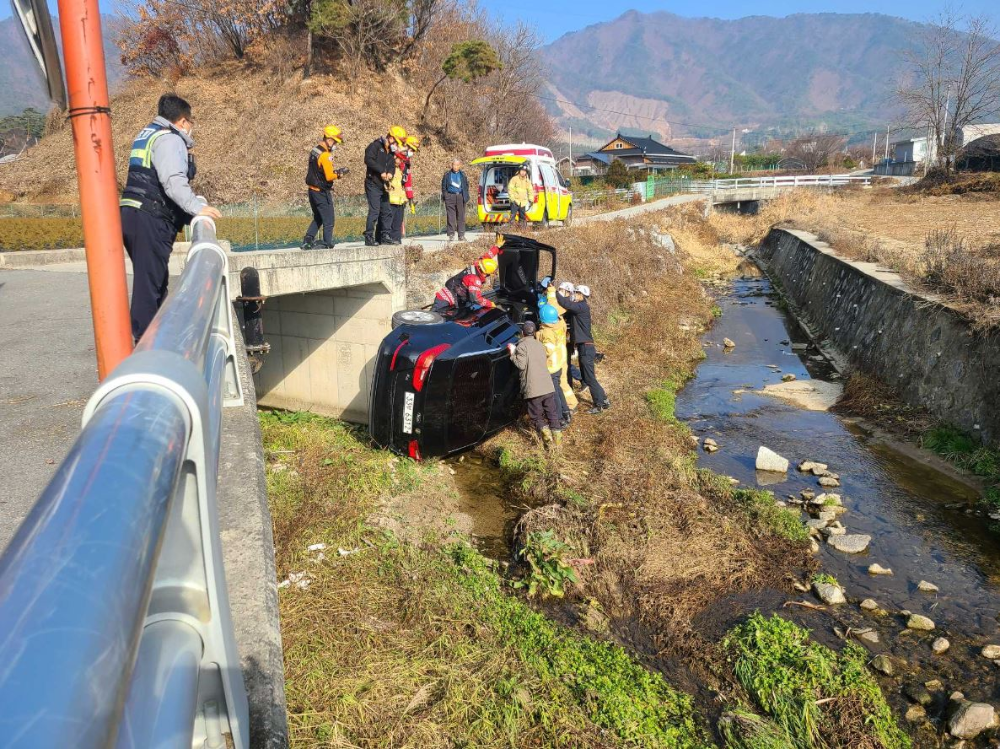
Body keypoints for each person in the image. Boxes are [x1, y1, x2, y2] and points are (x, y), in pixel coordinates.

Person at [120, 93, 221, 342]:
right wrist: (196, 208)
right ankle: (144, 344)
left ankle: (157, 336)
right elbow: (173, 180)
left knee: (155, 279)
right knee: (149, 285)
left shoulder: (148, 133)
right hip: (150, 215)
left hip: (133, 212)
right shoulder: (170, 139)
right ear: (183, 121)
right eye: (190, 122)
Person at [508, 321, 562, 447]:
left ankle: (547, 439)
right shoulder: (540, 345)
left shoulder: (521, 346)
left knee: (537, 416)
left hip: (533, 389)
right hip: (547, 386)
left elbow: (521, 365)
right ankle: (558, 442)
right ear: (534, 332)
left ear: (522, 333)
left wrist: (512, 353)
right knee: (552, 413)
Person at [559, 284, 611, 414]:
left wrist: (553, 292)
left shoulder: (582, 307)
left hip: (586, 348)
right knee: (588, 377)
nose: (574, 295)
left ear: (582, 295)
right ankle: (604, 400)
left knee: (589, 378)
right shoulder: (578, 308)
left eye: (576, 293)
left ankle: (599, 404)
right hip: (584, 347)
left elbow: (566, 303)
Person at [302, 125, 347, 250]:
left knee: (318, 217)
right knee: (329, 220)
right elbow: (329, 176)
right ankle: (327, 243)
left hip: (312, 190)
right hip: (321, 192)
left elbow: (318, 170)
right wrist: (339, 174)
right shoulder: (326, 155)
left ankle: (308, 239)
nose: (335, 145)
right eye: (335, 142)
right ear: (329, 140)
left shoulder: (315, 150)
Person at [364, 125, 406, 246]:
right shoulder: (375, 146)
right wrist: (381, 171)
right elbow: (368, 160)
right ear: (391, 138)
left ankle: (385, 235)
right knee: (375, 211)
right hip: (372, 183)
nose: (397, 146)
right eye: (396, 142)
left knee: (387, 211)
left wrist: (390, 174)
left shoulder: (391, 151)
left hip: (384, 185)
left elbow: (392, 166)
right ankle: (369, 236)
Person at [536, 303, 577, 426]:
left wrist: (537, 340)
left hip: (551, 367)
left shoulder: (546, 333)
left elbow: (547, 350)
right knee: (558, 389)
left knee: (554, 394)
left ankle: (559, 418)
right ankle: (566, 411)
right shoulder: (560, 324)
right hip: (559, 363)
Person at [433, 257, 498, 312]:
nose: (487, 276)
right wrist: (490, 304)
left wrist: (497, 248)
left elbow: (486, 256)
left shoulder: (473, 267)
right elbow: (476, 299)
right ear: (485, 273)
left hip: (448, 293)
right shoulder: (475, 279)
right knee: (434, 319)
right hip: (445, 300)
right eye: (488, 275)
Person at [441, 159, 469, 241]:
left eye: (457, 165)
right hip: (450, 196)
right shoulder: (447, 174)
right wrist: (446, 196)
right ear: (451, 165)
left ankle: (461, 235)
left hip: (460, 196)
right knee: (451, 216)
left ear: (459, 166)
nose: (455, 167)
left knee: (461, 216)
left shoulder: (463, 175)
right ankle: (451, 234)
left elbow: (466, 186)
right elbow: (443, 186)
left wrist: (465, 196)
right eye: (454, 165)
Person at [387, 149, 408, 245]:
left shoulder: (400, 170)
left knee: (398, 222)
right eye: (399, 159)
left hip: (400, 200)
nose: (401, 161)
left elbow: (401, 186)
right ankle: (389, 239)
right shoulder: (389, 169)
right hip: (391, 199)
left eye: (402, 160)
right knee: (390, 222)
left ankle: (397, 239)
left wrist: (405, 198)